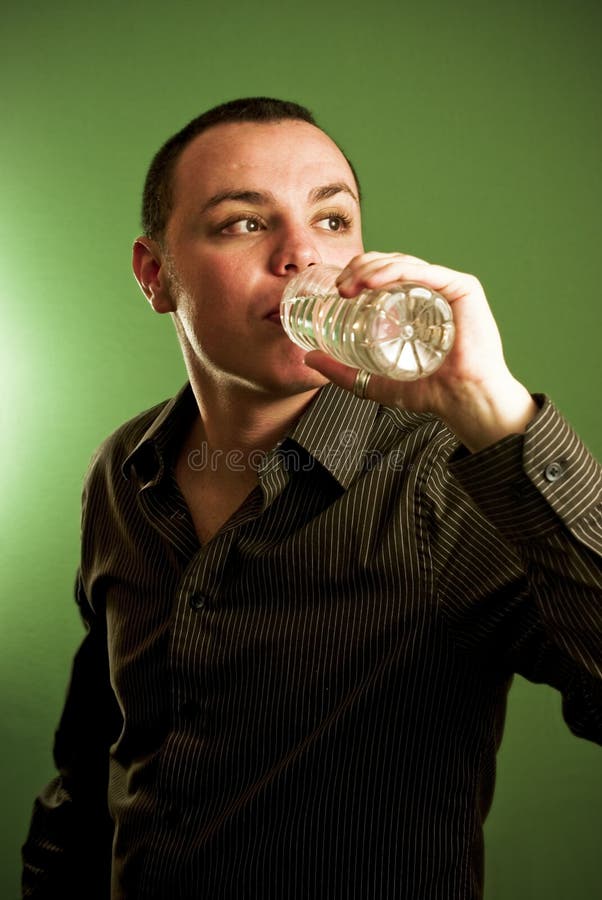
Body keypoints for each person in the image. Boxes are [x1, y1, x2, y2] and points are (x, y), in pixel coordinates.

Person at [22, 96, 601, 900]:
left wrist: (492, 408)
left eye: (332, 221)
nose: (301, 254)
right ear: (156, 276)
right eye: (242, 223)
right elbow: (95, 757)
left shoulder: (452, 476)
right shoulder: (125, 468)